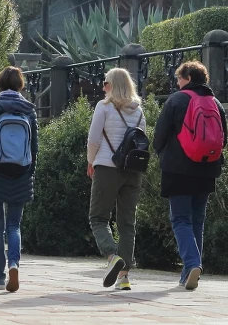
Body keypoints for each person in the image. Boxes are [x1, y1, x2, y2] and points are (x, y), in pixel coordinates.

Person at [151, 60, 227, 291]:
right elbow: (225, 137)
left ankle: (193, 263)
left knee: (180, 219)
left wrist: (162, 154)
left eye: (179, 78)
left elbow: (160, 135)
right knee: (197, 220)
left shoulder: (176, 100)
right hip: (207, 169)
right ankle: (188, 274)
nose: (177, 82)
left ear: (189, 78)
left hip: (178, 169)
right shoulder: (215, 103)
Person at [0, 66, 38, 293]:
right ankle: (14, 264)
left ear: (0, 82)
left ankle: (0, 276)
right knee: (14, 225)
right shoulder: (29, 110)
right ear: (20, 83)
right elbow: (34, 148)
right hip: (21, 174)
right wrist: (29, 172)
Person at [87, 67, 147, 291]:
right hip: (133, 170)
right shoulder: (139, 111)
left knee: (98, 218)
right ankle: (124, 278)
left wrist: (91, 161)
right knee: (127, 223)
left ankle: (112, 256)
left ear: (112, 85)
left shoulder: (104, 107)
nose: (103, 87)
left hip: (107, 167)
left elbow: (93, 140)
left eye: (105, 83)